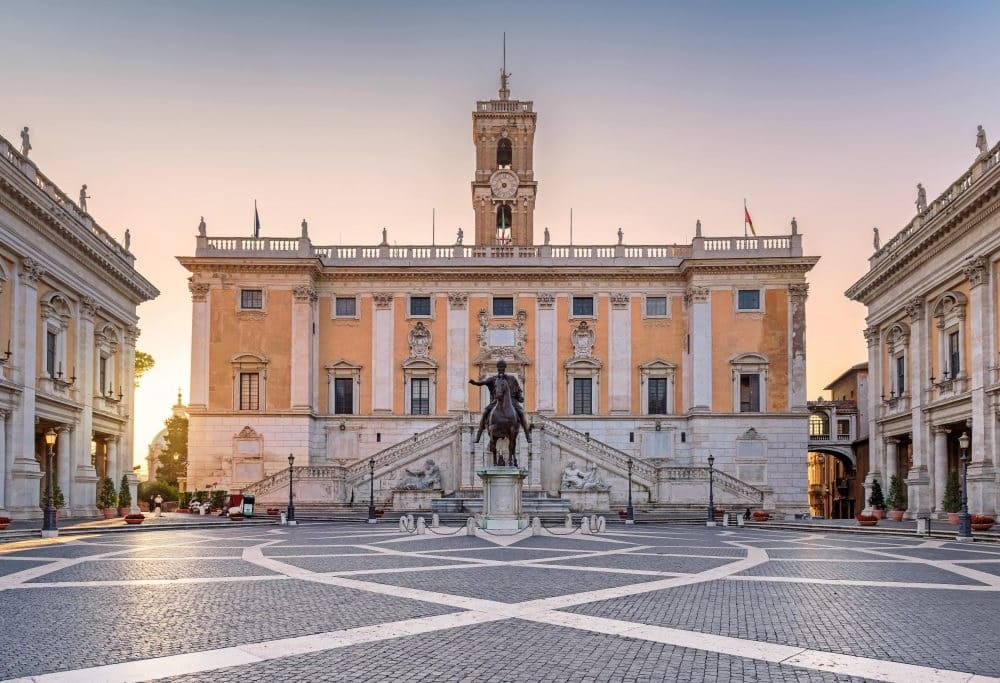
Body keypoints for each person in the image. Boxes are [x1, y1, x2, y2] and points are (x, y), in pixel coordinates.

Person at [469, 359, 530, 443]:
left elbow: (518, 390)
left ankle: (527, 435)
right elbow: (483, 382)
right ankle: (478, 436)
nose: (501, 369)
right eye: (499, 367)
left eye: (502, 367)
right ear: (497, 368)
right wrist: (475, 383)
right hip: (497, 400)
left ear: (505, 368)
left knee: (521, 413)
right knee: (485, 412)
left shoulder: (512, 378)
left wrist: (520, 397)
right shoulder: (493, 379)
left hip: (512, 400)